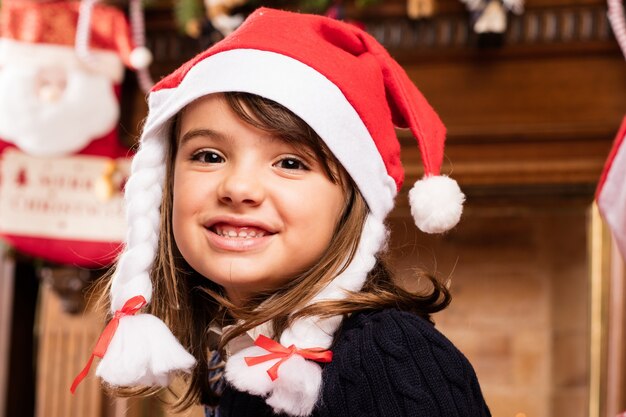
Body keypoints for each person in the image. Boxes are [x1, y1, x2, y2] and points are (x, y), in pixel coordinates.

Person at [71, 7, 490, 417]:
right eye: (209, 155)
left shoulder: (389, 356)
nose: (237, 188)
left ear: (352, 201)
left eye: (290, 163)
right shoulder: (236, 354)